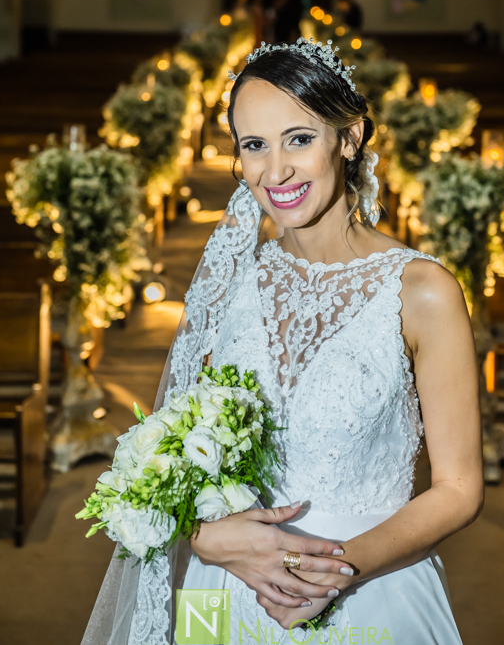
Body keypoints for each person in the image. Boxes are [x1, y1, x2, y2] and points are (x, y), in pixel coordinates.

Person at [82, 38, 483, 645]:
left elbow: (458, 489)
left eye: (298, 138)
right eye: (254, 145)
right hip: (227, 592)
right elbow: (184, 450)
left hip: (368, 586)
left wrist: (329, 572)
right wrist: (203, 534)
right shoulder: (231, 282)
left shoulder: (422, 291)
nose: (275, 172)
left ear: (347, 139)